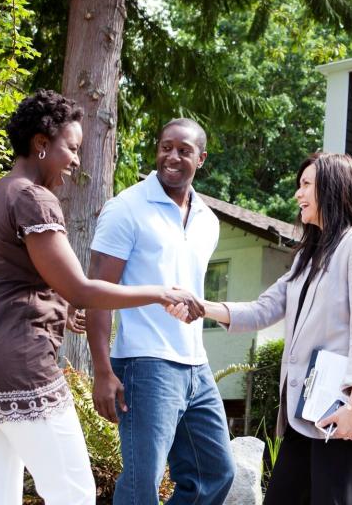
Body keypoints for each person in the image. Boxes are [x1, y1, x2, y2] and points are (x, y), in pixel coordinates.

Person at [0, 90, 204, 505]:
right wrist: (159, 292)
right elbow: (81, 288)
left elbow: (8, 279)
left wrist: (59, 307)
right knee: (75, 494)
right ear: (41, 144)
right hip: (18, 367)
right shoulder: (33, 198)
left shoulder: (0, 193)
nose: (78, 160)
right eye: (72, 147)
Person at [168, 152, 352, 505]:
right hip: (304, 412)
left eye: (305, 185)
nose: (297, 195)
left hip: (339, 412)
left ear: (331, 188)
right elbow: (264, 308)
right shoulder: (309, 255)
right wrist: (202, 307)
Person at [86, 118, 235, 505]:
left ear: (200, 159)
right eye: (166, 147)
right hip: (144, 363)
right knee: (142, 484)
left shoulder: (209, 221)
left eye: (184, 150)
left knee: (215, 472)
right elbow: (97, 293)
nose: (172, 156)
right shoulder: (127, 208)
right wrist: (102, 371)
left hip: (195, 365)